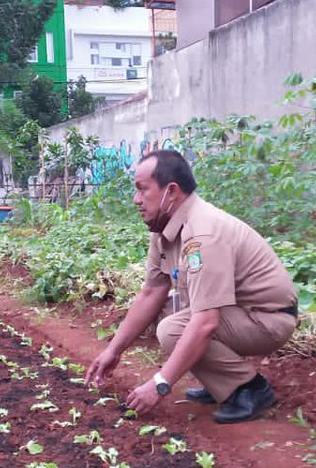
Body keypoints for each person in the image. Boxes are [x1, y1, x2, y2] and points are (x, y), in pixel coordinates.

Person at [86, 149, 298, 424]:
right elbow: (152, 292)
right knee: (170, 314)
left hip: (267, 319)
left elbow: (206, 323)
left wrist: (160, 384)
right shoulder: (164, 227)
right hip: (238, 313)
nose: (136, 199)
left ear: (172, 191)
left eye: (142, 189)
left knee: (173, 329)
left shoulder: (203, 234)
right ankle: (221, 383)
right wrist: (113, 350)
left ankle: (250, 389)